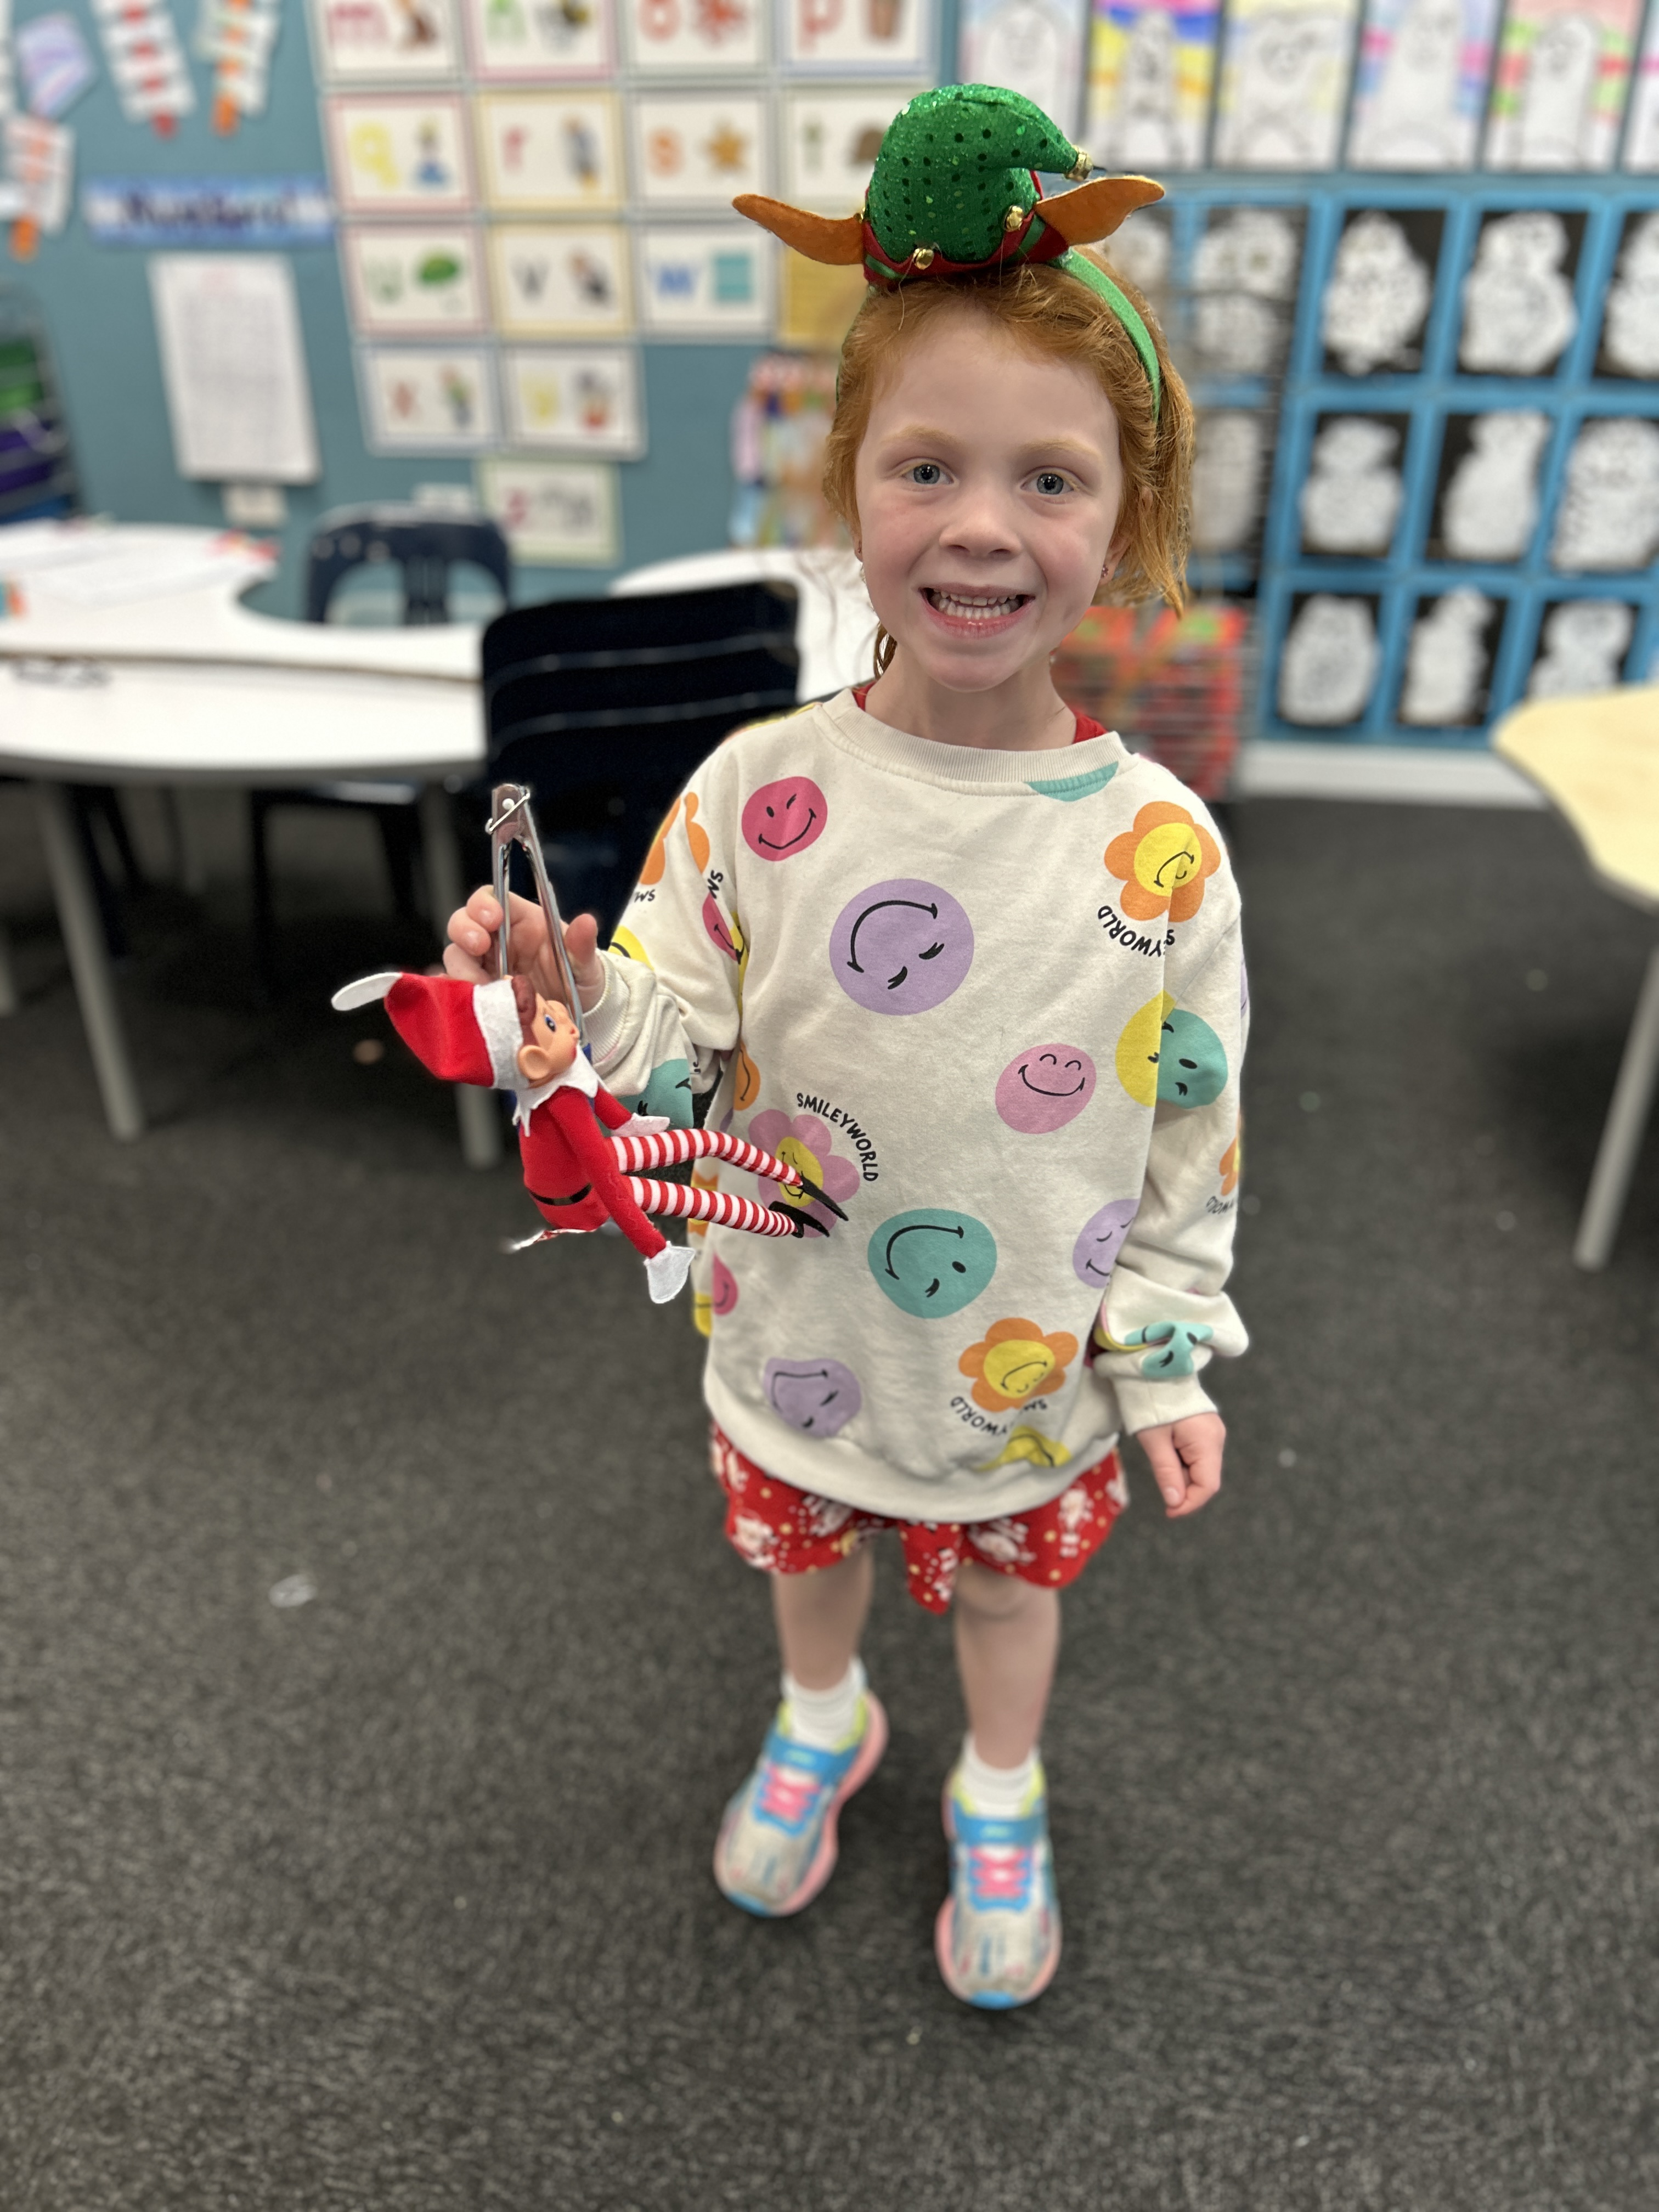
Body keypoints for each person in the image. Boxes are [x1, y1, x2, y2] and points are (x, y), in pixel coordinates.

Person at [442, 85, 1248, 2011]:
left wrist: (1162, 1351)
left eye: (1051, 480)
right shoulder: (756, 793)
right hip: (795, 1338)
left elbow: (1187, 1140)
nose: (981, 525)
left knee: (1008, 1589)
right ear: (850, 484)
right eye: (928, 467)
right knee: (804, 1560)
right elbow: (664, 1047)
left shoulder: (1161, 849)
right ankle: (826, 1719)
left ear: (1126, 514)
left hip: (1028, 1369)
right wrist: (575, 988)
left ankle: (998, 1781)